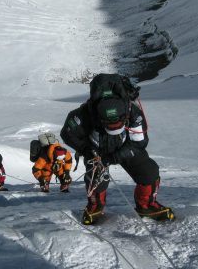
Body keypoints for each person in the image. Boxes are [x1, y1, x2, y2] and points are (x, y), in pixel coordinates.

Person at [60, 73, 174, 225]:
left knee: (149, 171)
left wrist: (114, 157)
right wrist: (87, 150)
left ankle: (146, 206)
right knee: (95, 178)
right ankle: (95, 207)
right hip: (96, 151)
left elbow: (139, 142)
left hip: (124, 147)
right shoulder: (83, 115)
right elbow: (67, 134)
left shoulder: (133, 112)